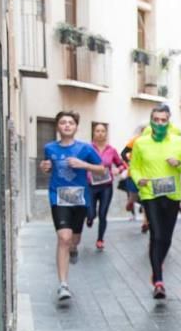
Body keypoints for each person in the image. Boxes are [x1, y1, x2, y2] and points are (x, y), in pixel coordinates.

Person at [128, 104, 181, 299]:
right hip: (150, 194)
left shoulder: (179, 142)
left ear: (168, 121)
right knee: (156, 235)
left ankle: (157, 264)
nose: (159, 124)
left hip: (172, 195)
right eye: (156, 120)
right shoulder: (141, 143)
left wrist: (180, 164)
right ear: (151, 120)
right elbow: (134, 167)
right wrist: (138, 179)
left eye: (163, 120)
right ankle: (158, 280)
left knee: (166, 238)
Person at [39, 110, 106, 300]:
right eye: (63, 122)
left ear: (76, 127)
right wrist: (45, 168)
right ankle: (63, 285)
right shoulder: (50, 148)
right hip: (58, 197)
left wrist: (83, 165)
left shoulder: (85, 149)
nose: (67, 125)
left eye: (70, 122)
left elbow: (102, 170)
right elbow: (47, 166)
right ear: (57, 126)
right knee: (63, 237)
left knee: (73, 239)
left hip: (79, 199)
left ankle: (74, 248)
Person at [86, 122, 125, 251]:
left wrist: (118, 170)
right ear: (93, 133)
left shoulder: (111, 150)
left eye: (103, 131)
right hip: (91, 185)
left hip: (106, 186)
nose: (100, 133)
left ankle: (100, 239)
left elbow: (121, 164)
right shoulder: (88, 148)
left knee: (103, 214)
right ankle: (90, 218)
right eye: (97, 131)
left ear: (106, 134)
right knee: (91, 213)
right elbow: (80, 162)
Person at [119, 124, 146, 225]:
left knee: (146, 199)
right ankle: (131, 202)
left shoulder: (153, 142)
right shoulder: (135, 140)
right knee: (133, 196)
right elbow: (123, 153)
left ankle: (145, 221)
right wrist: (130, 162)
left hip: (147, 174)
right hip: (133, 174)